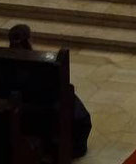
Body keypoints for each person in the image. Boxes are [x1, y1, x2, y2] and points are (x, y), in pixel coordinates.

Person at [6, 24, 92, 158]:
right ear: (29, 40)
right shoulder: (43, 69)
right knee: (66, 97)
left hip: (18, 115)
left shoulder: (1, 66)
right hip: (39, 117)